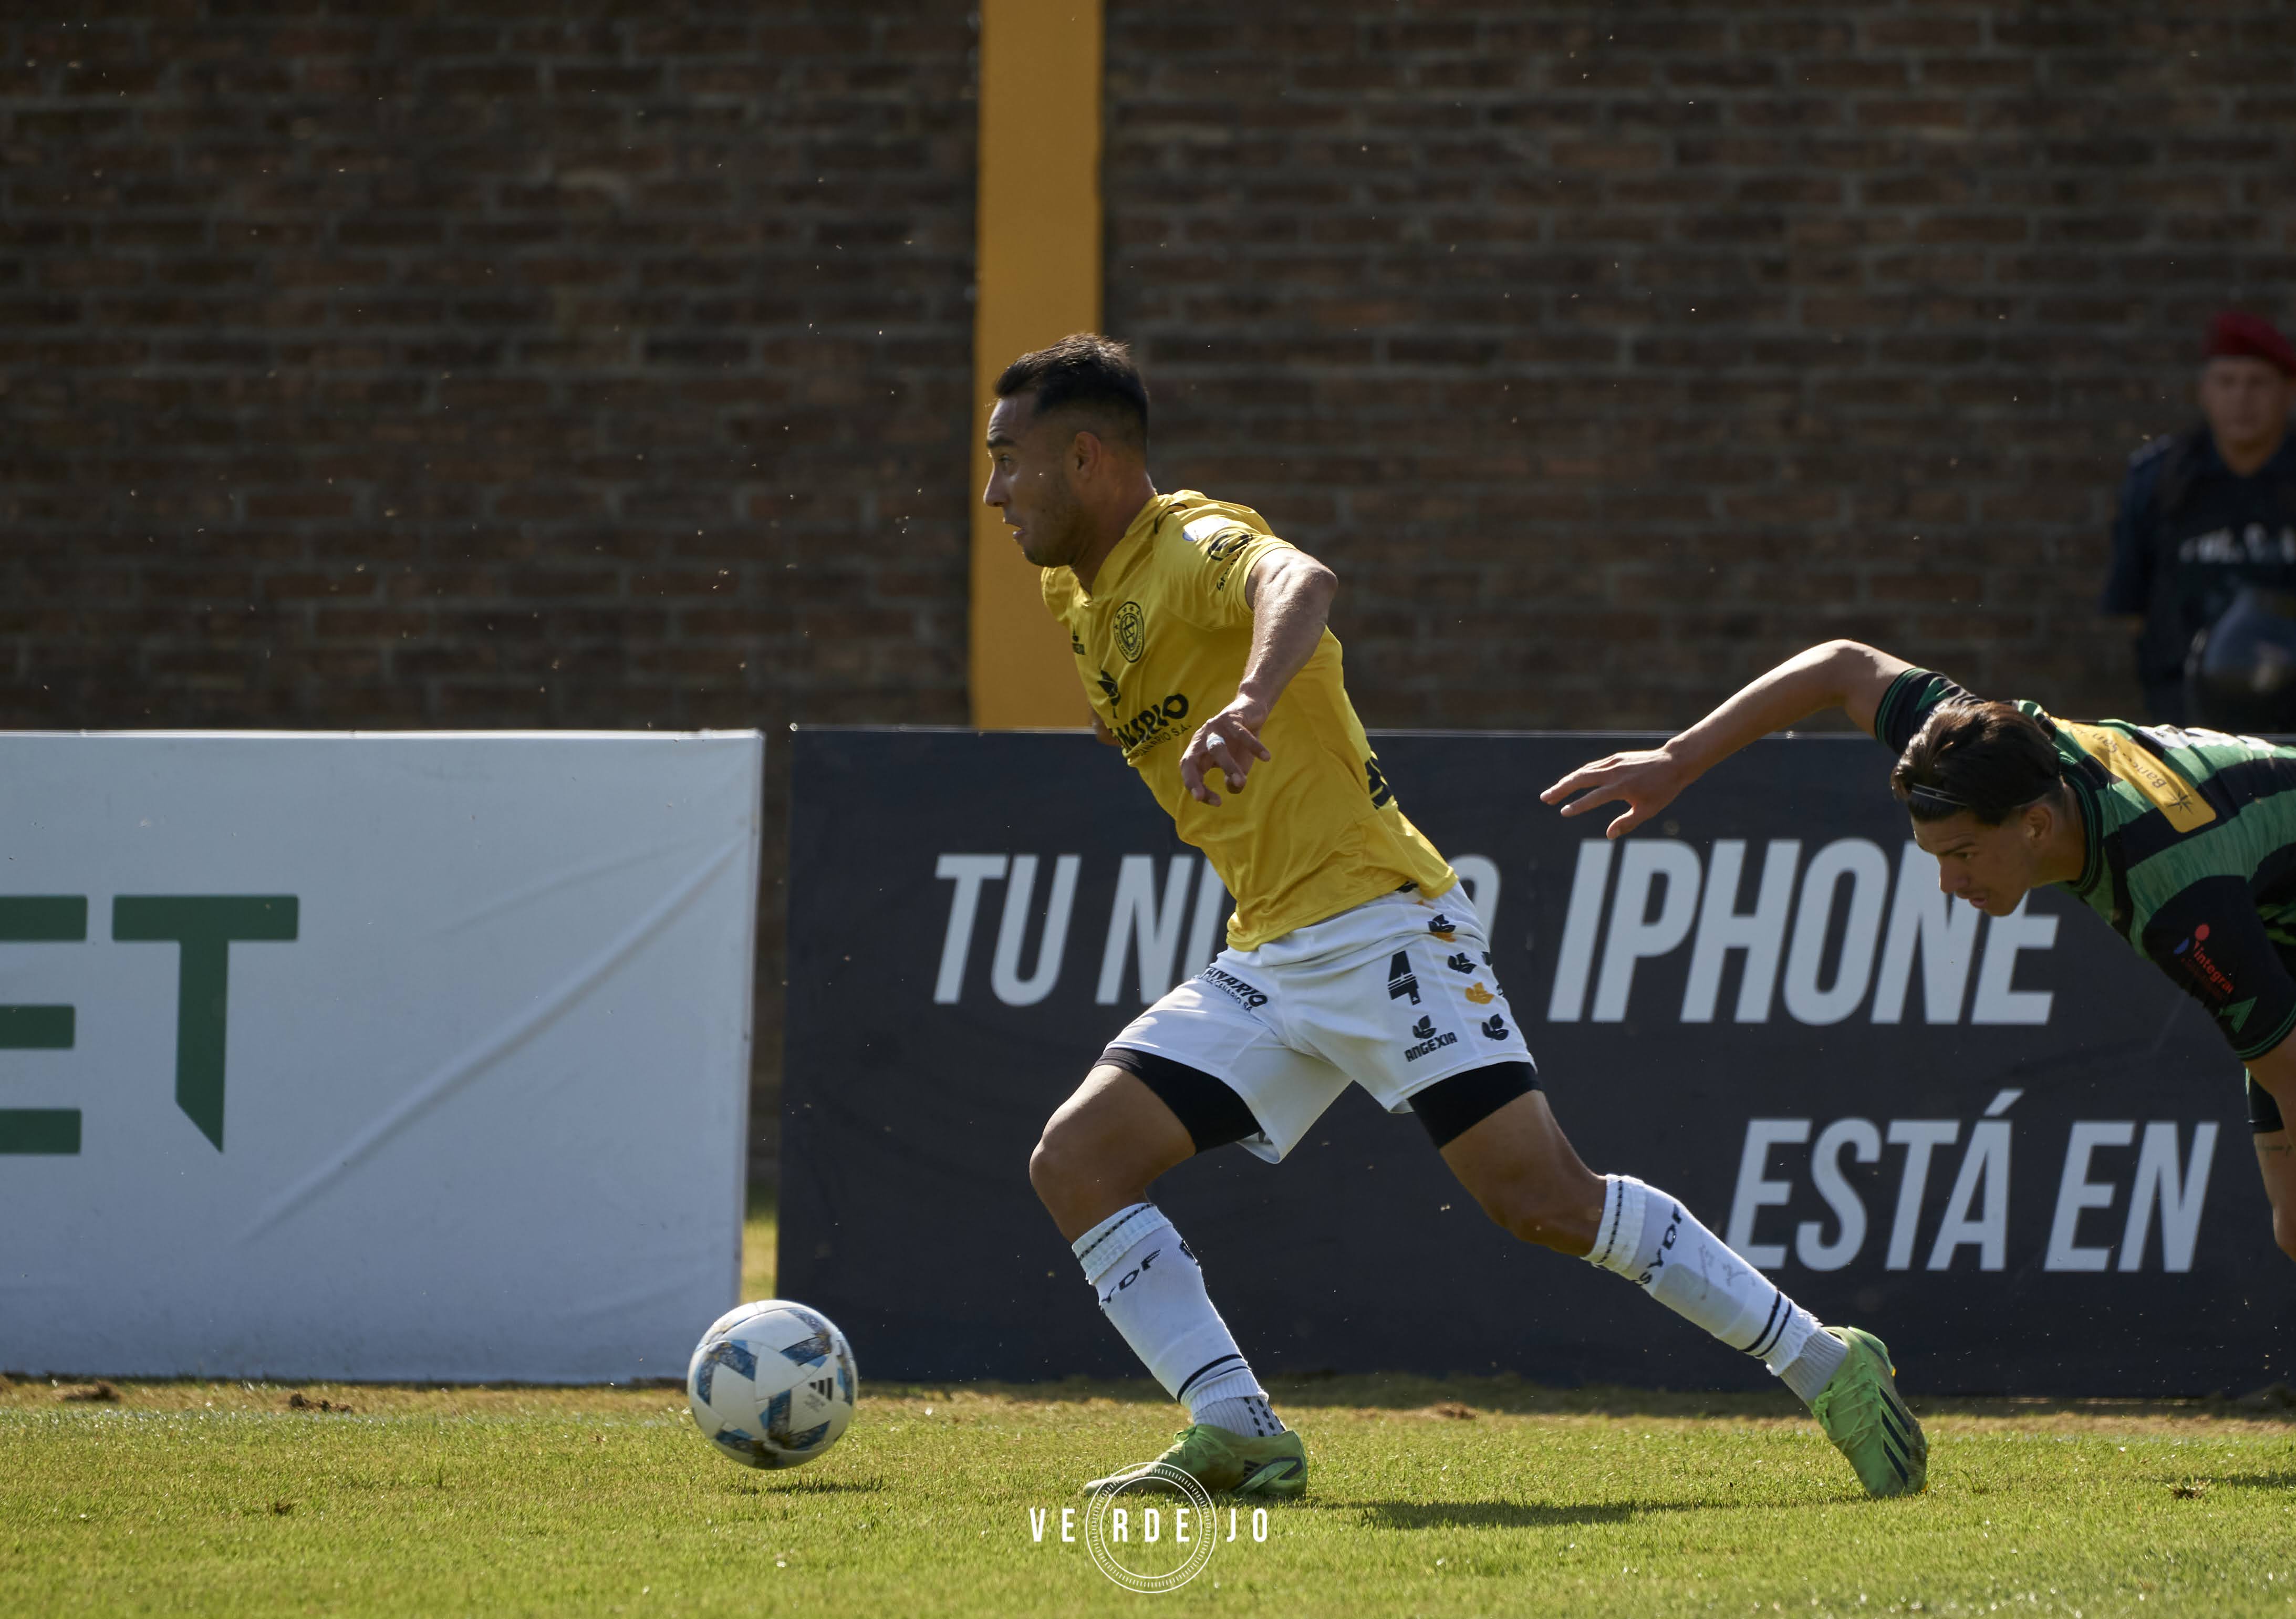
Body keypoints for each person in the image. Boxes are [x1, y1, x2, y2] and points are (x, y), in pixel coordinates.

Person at [990, 333, 1926, 1503]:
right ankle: (1237, 1429)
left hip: (1383, 925)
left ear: (1085, 458)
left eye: (1008, 460)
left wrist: (1249, 701)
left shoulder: (1190, 545)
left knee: (1544, 1200)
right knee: (1079, 1160)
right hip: (1270, 951)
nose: (993, 493)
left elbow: (1301, 580)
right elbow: (1142, 688)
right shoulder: (1074, 594)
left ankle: (1828, 1362)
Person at [1543, 640, 2296, 1267]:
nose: (1948, 883)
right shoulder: (1985, 747)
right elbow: (1841, 666)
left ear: (2034, 827)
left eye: (1963, 853)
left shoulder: (2178, 899)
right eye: (1935, 856)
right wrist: (1677, 760)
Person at [2102, 310, 2296, 723]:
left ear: (2288, 391)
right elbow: (2132, 604)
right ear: (2204, 390)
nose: (2241, 399)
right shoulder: (2160, 479)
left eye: (2257, 383)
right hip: (2186, 712)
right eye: (2227, 382)